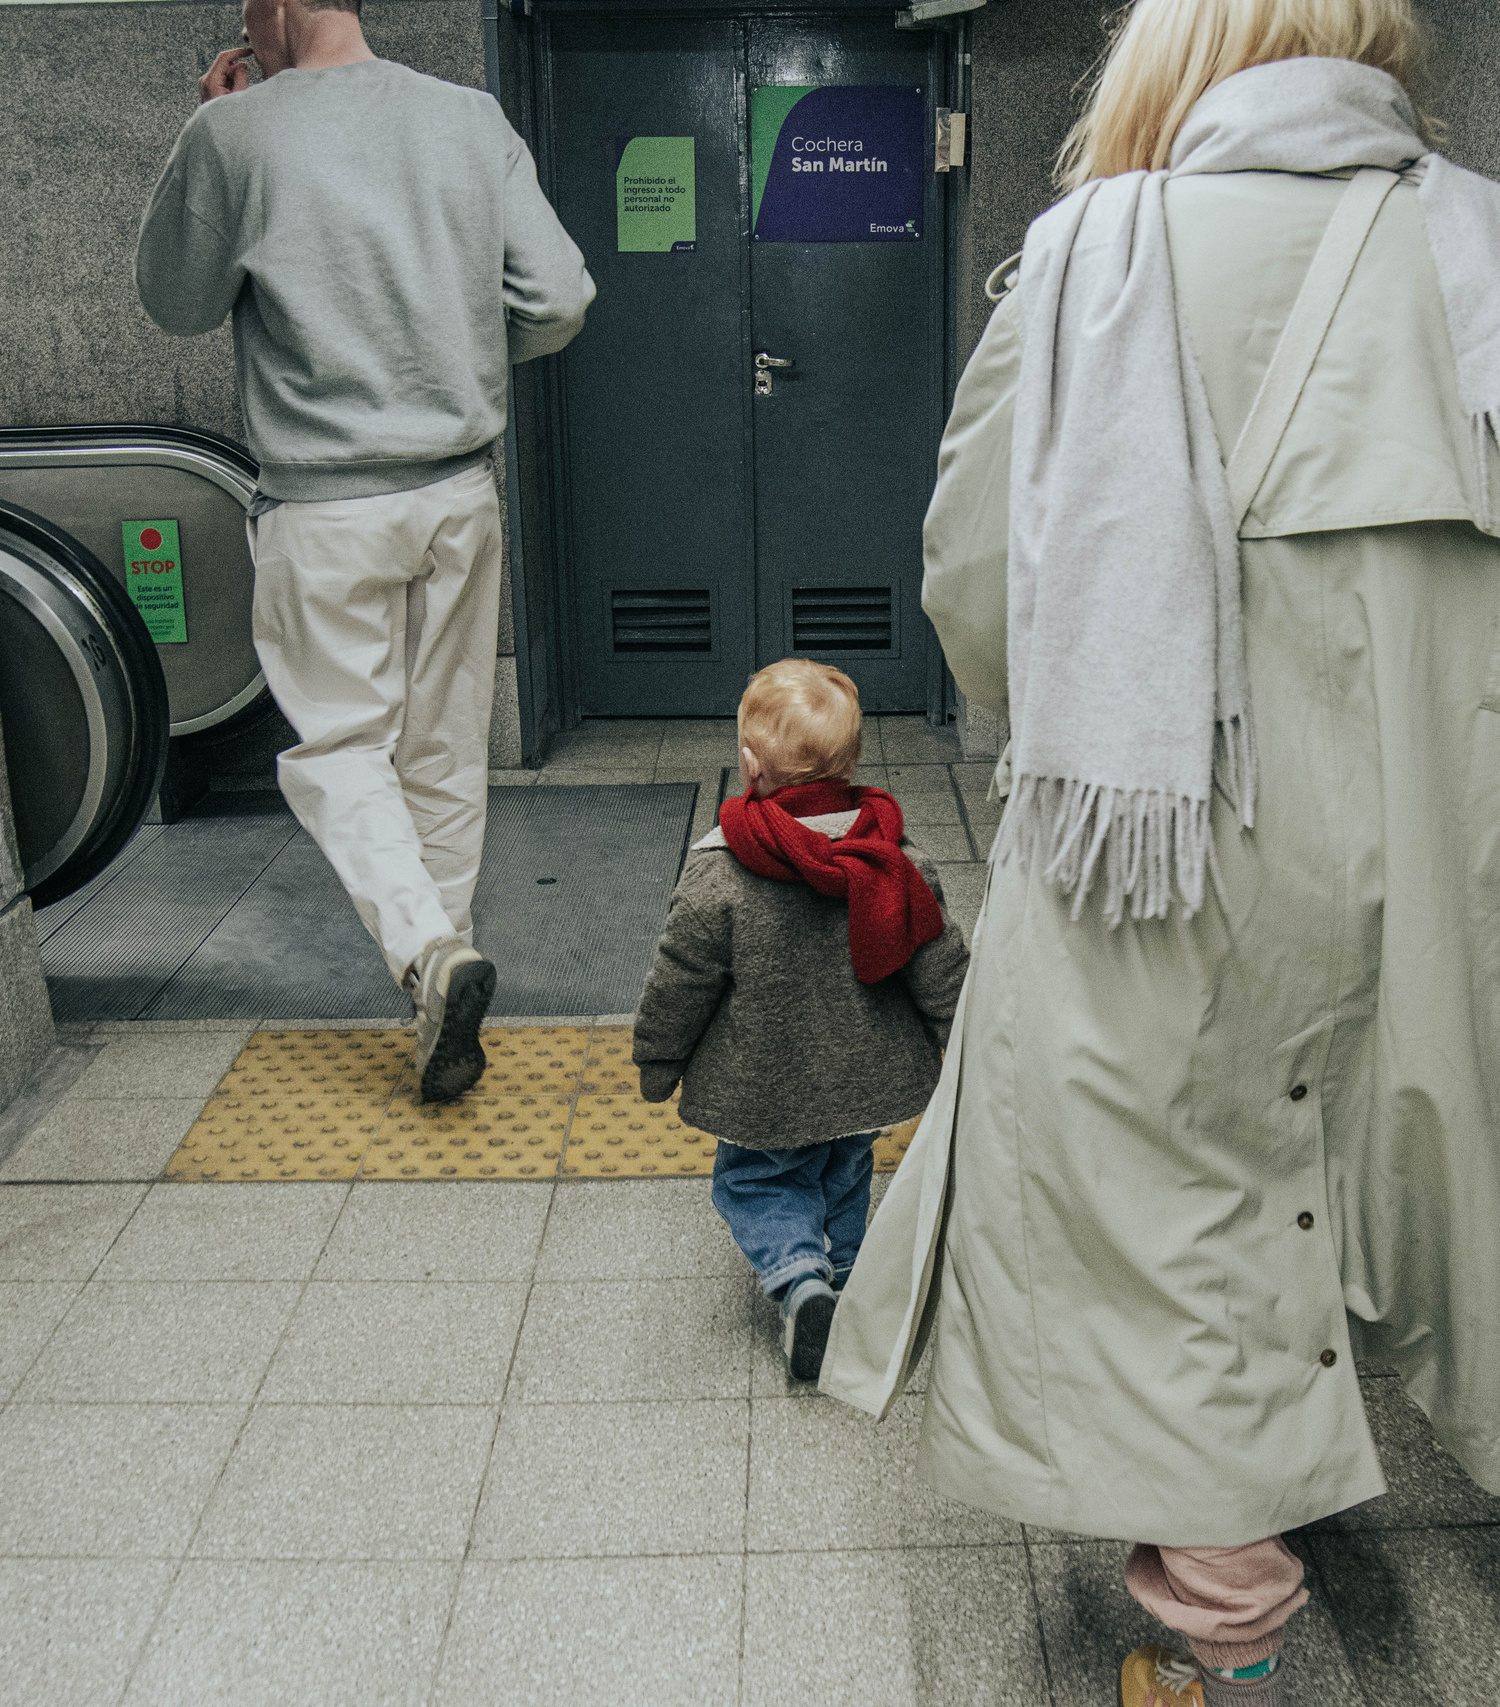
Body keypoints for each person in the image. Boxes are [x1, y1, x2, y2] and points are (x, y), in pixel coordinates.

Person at [819, 1, 1500, 1703]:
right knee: (1324, 1202)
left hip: (1145, 858)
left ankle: (1226, 1622)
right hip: (1431, 880)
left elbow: (971, 580)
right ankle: (1242, 1565)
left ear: (1178, 55)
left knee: (1163, 1227)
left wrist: (1106, 717)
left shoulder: (1096, 250)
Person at [136, 0, 594, 1101]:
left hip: (324, 505)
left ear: (278, 6)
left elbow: (175, 301)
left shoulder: (234, 134)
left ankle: (432, 959)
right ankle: (445, 971)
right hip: (453, 492)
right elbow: (562, 299)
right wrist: (466, 361)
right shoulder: (468, 118)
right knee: (441, 752)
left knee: (341, 750)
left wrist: (208, 134)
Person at [632, 661, 971, 1381]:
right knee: (845, 1164)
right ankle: (846, 1271)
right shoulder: (893, 854)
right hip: (867, 1080)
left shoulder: (720, 872)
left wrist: (658, 1060)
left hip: (764, 1085)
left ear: (750, 764)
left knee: (756, 1178)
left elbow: (681, 978)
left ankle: (800, 1281)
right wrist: (965, 1040)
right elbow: (939, 960)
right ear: (851, 761)